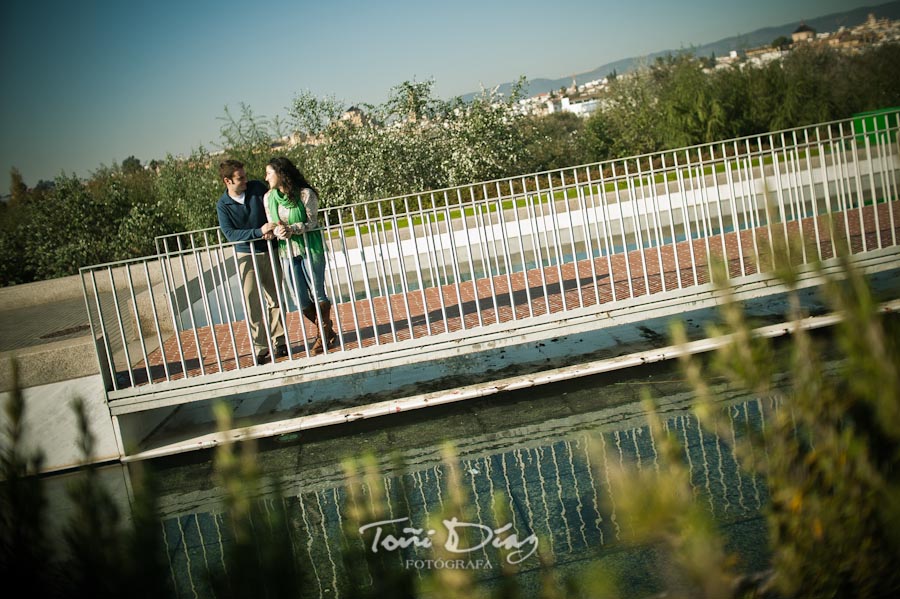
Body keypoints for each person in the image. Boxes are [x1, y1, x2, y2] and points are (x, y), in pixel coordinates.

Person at [216, 159, 288, 364]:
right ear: (227, 181)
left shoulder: (257, 187)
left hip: (269, 249)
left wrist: (272, 228)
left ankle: (280, 341)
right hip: (246, 255)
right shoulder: (223, 205)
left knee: (275, 298)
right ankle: (260, 347)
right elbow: (230, 234)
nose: (246, 180)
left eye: (245, 175)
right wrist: (258, 232)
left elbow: (272, 210)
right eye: (240, 178)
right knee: (251, 301)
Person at [263, 156, 337, 355]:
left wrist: (292, 229)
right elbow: (273, 222)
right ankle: (327, 329)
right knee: (301, 300)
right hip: (287, 251)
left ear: (281, 173)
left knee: (318, 292)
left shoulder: (306, 194)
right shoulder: (268, 198)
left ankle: (323, 337)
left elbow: (312, 222)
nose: (266, 177)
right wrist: (277, 231)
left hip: (310, 247)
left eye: (269, 173)